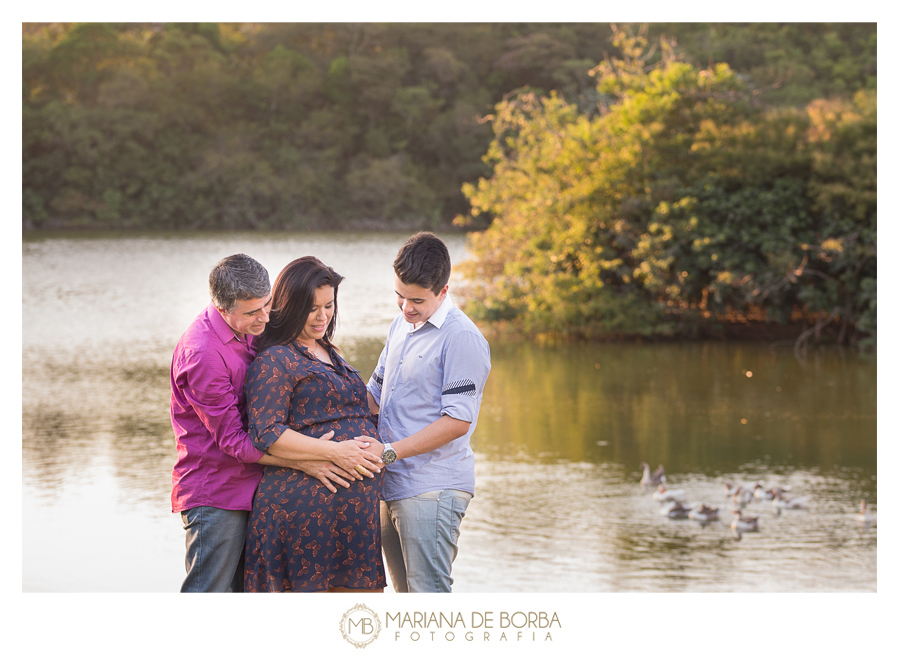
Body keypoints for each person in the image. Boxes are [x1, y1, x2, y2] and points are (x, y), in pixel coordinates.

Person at [170, 253, 382, 593]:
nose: (266, 317)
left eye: (267, 305)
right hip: (217, 493)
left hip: (254, 486)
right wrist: (317, 459)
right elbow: (236, 441)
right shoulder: (203, 354)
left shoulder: (252, 331)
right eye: (253, 312)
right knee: (206, 596)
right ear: (222, 307)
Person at [243, 256, 387, 592]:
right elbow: (267, 433)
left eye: (329, 305)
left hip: (354, 518)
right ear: (289, 306)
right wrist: (335, 453)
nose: (323, 316)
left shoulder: (329, 350)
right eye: (312, 309)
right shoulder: (274, 359)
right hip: (303, 515)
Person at [367, 232, 491, 593]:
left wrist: (388, 453)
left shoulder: (461, 338)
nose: (406, 307)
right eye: (399, 296)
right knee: (407, 602)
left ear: (444, 290)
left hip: (432, 489)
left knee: (429, 604)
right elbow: (375, 394)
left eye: (417, 300)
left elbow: (457, 421)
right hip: (391, 482)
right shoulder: (401, 325)